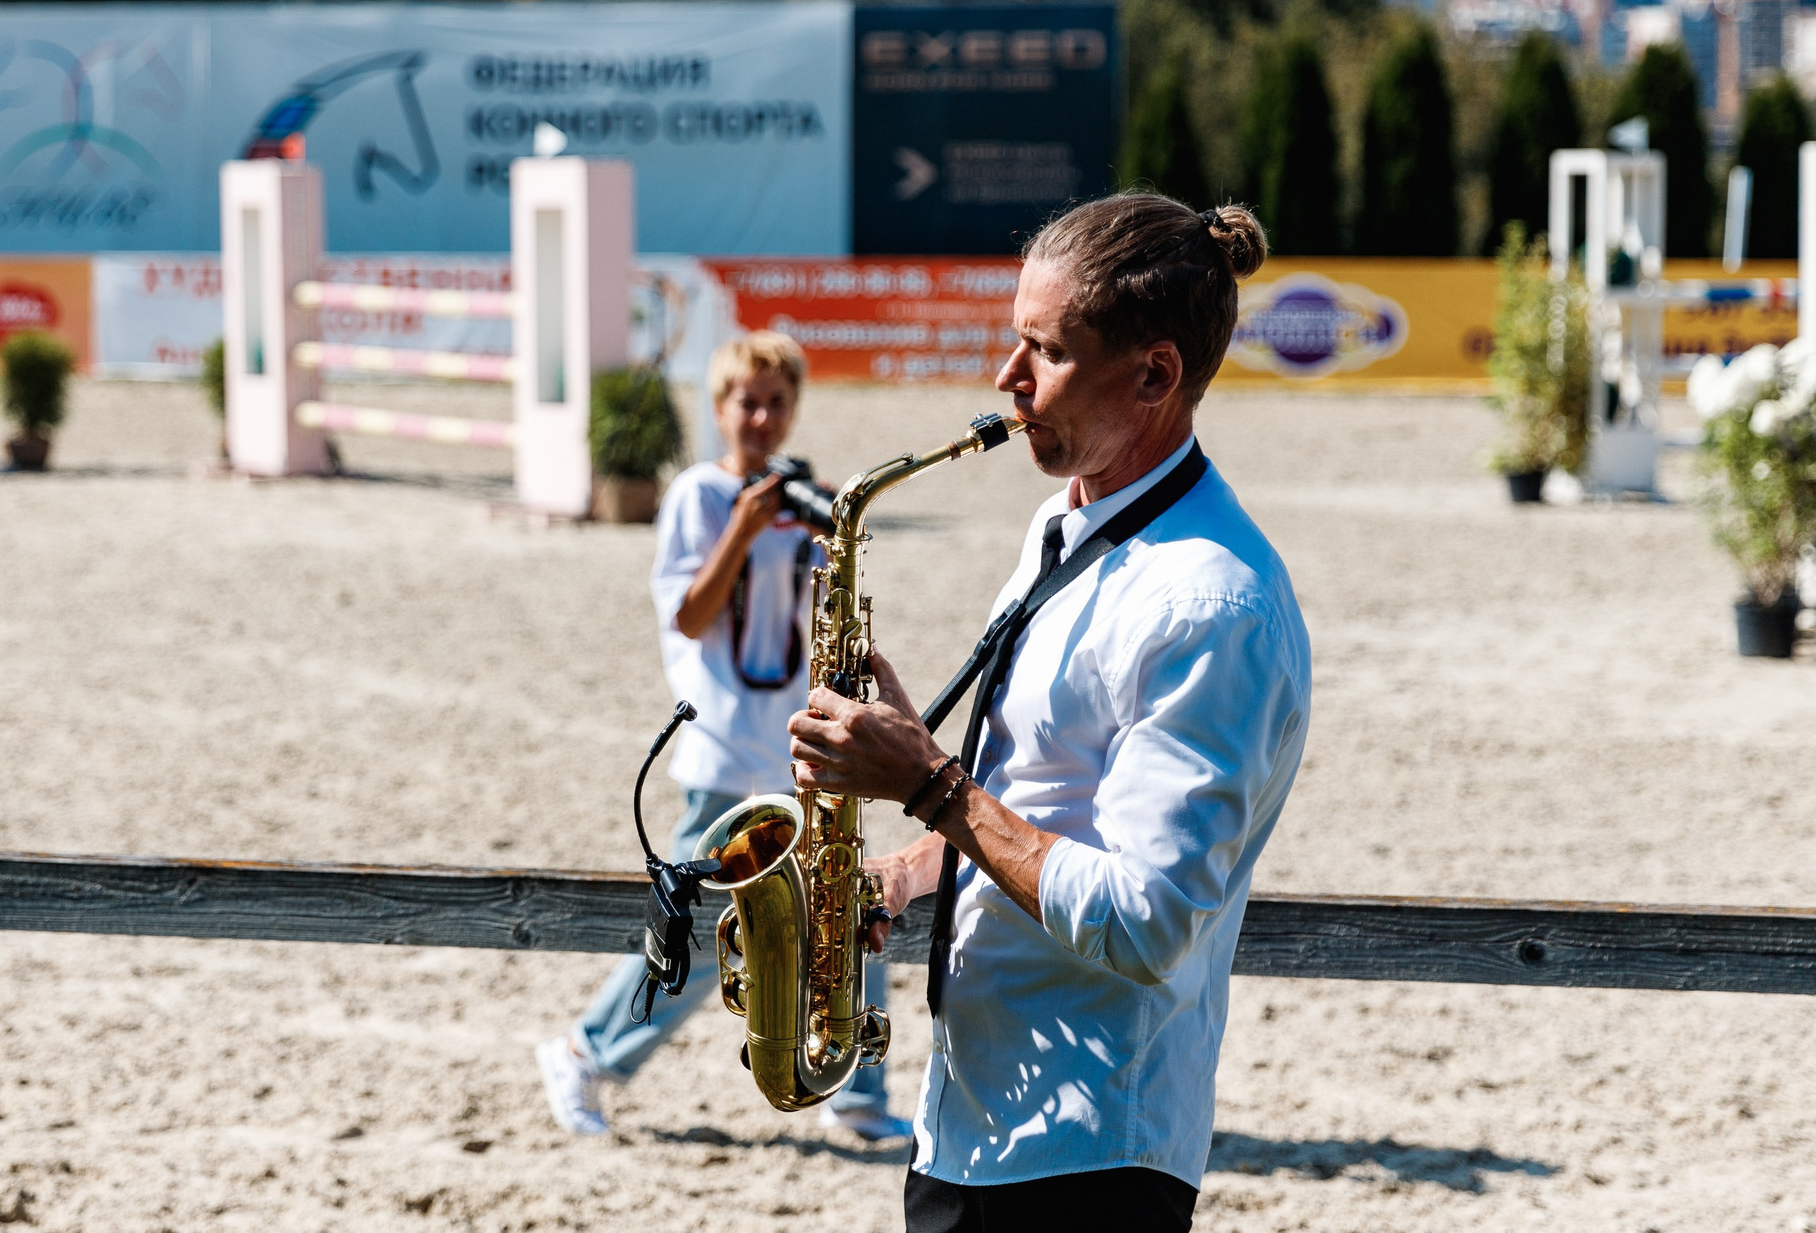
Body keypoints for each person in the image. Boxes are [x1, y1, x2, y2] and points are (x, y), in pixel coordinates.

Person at [787, 194, 1311, 1232]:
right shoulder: (1062, 525)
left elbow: (1145, 920)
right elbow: (1044, 798)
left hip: (1087, 1156)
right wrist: (905, 870)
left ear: (1154, 374)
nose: (1006, 377)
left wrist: (930, 784)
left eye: (1047, 350)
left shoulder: (1212, 607)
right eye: (1014, 338)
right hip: (973, 1118)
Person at [537, 332, 907, 1142]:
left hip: (800, 754)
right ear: (719, 407)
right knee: (702, 935)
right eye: (748, 402)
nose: (763, 418)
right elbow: (690, 615)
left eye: (778, 403)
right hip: (721, 752)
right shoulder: (698, 496)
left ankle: (855, 1088)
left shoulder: (803, 502)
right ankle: (584, 1051)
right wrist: (744, 529)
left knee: (844, 906)